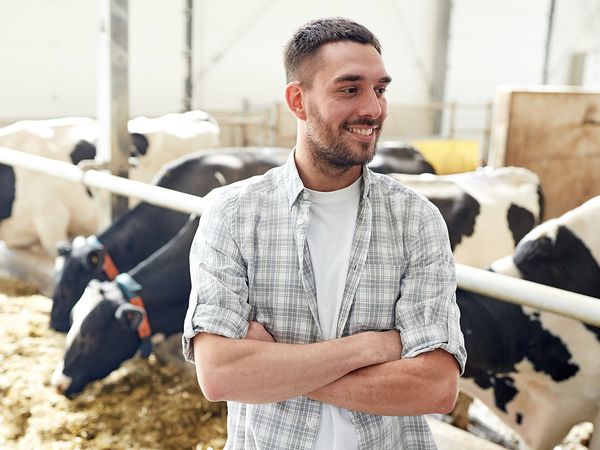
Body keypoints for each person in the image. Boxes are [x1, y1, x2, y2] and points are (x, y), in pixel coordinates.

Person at [183, 17, 466, 450]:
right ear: (298, 100)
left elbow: (435, 388)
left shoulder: (417, 219)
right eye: (349, 89)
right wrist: (371, 348)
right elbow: (220, 376)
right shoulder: (233, 214)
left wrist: (272, 368)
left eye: (380, 89)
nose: (373, 108)